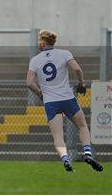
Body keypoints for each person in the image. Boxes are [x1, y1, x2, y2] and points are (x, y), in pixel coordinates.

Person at [26, 29, 103, 172]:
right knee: (82, 126)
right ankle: (87, 153)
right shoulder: (64, 53)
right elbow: (77, 70)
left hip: (50, 102)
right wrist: (81, 84)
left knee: (58, 135)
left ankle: (66, 159)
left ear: (43, 43)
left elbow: (29, 82)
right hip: (67, 98)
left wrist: (41, 94)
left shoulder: (35, 60)